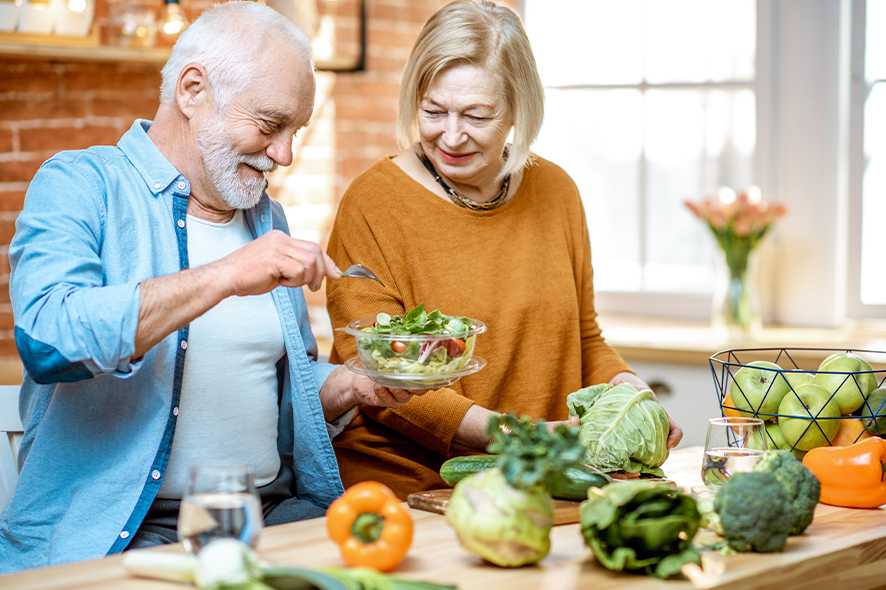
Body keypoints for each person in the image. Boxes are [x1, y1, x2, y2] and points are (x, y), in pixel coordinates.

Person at [0, 1, 420, 573]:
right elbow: (49, 340)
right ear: (193, 90)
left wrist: (351, 386)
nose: (285, 155)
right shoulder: (80, 184)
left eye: (295, 132)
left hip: (275, 513)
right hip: (129, 531)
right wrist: (225, 276)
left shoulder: (266, 220)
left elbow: (267, 388)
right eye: (271, 125)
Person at [325, 0, 683, 500]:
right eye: (432, 111)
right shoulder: (373, 202)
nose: (450, 135)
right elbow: (376, 375)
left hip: (542, 479)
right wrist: (521, 437)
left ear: (518, 108)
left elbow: (583, 337)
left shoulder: (557, 191)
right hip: (412, 488)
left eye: (476, 115)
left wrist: (631, 396)